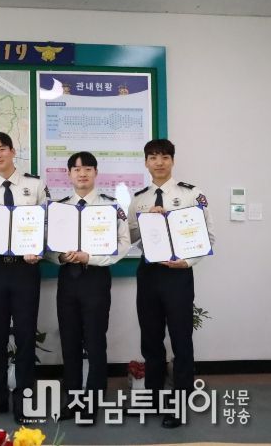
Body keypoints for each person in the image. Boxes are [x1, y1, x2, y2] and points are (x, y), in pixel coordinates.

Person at [128, 138, 215, 428]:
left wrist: (187, 262)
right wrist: (146, 221)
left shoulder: (191, 194)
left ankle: (179, 404)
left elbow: (208, 237)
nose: (159, 162)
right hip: (149, 274)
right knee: (151, 340)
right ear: (146, 162)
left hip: (178, 274)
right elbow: (128, 238)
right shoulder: (139, 199)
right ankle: (153, 398)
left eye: (164, 157)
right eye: (153, 157)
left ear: (173, 160)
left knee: (181, 340)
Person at [44, 151, 130, 425]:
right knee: (69, 341)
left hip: (96, 278)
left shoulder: (111, 207)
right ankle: (72, 399)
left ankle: (93, 400)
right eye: (77, 169)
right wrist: (60, 257)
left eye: (88, 169)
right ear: (68, 174)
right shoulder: (58, 208)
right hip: (68, 280)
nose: (82, 174)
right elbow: (46, 245)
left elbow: (123, 244)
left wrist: (90, 257)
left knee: (95, 341)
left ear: (96, 173)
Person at [0, 132, 49, 424]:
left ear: (13, 151)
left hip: (25, 269)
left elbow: (47, 223)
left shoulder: (35, 185)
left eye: (2, 148)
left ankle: (24, 399)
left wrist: (38, 249)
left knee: (26, 335)